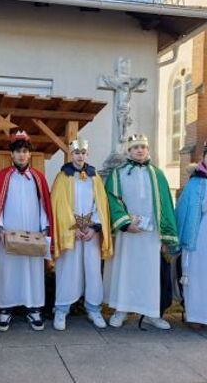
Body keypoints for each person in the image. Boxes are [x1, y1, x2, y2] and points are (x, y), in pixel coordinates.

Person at [103, 134, 178, 329]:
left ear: (148, 150)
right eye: (135, 147)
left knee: (150, 273)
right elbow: (111, 199)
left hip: (151, 234)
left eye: (143, 147)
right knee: (125, 270)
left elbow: (166, 205)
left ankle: (152, 312)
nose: (140, 150)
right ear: (129, 151)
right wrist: (126, 223)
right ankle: (121, 310)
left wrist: (166, 236)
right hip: (127, 233)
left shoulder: (158, 174)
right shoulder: (118, 173)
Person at [0, 130, 53, 331]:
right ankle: (4, 309)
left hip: (33, 233)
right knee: (7, 270)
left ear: (29, 154)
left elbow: (44, 205)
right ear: (11, 154)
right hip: (8, 234)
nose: (21, 155)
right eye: (17, 151)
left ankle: (34, 308)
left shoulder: (38, 178)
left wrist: (45, 228)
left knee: (32, 270)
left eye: (25, 151)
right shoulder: (2, 177)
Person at [51, 138, 112, 330]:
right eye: (77, 153)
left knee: (93, 271)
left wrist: (94, 227)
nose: (80, 156)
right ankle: (62, 309)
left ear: (87, 154)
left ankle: (93, 308)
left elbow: (100, 204)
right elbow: (59, 205)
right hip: (71, 232)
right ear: (71, 155)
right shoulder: (63, 177)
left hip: (90, 233)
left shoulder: (95, 177)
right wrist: (74, 227)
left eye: (83, 153)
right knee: (67, 269)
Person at [175, 143, 207, 325]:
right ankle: (196, 315)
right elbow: (183, 210)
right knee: (198, 274)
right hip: (199, 235)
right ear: (204, 157)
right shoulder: (195, 182)